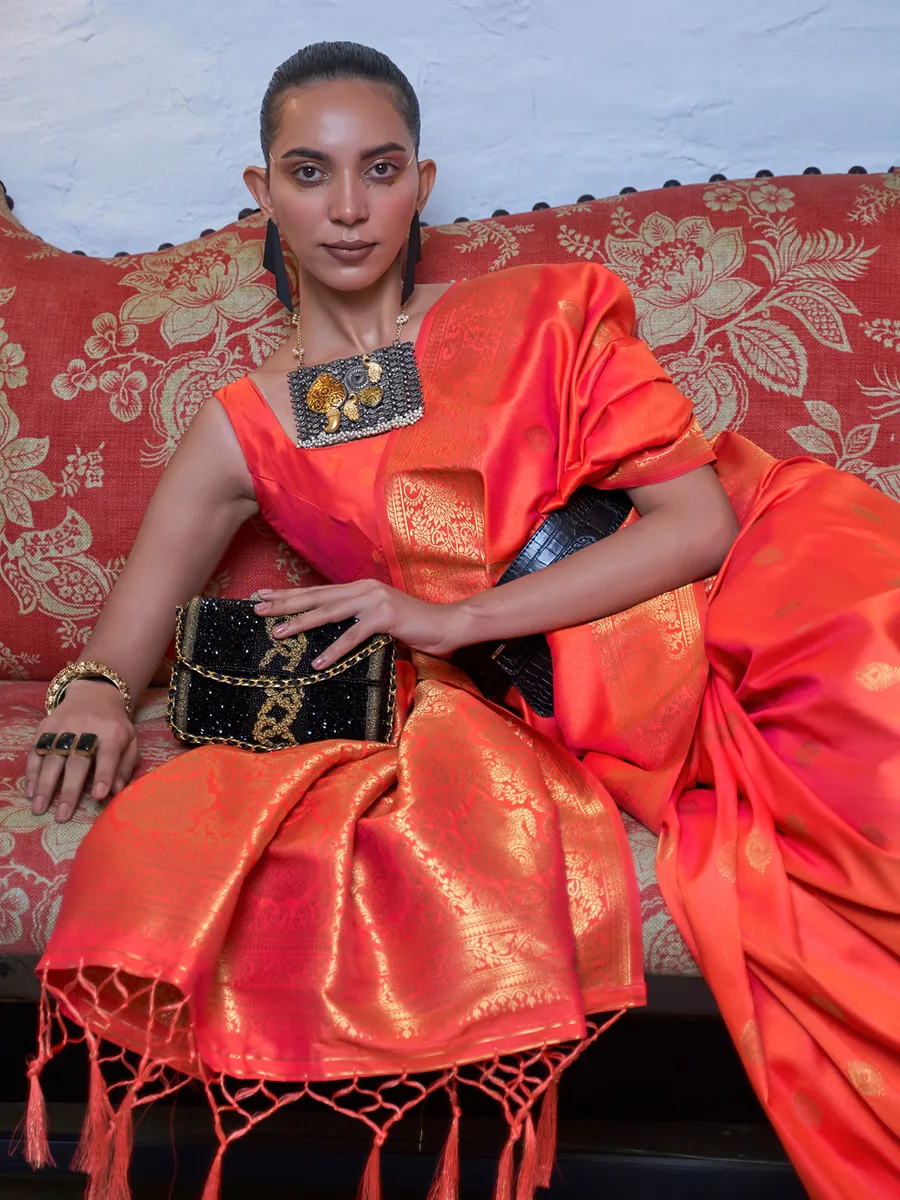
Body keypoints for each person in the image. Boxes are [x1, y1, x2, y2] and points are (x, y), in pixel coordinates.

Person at [23, 41, 899, 1200]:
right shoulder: (247, 428)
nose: (347, 209)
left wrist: (449, 616)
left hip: (776, 592)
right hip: (603, 695)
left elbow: (695, 527)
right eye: (310, 172)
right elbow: (121, 635)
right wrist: (88, 693)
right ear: (261, 192)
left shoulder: (535, 310)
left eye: (380, 170)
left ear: (423, 184)